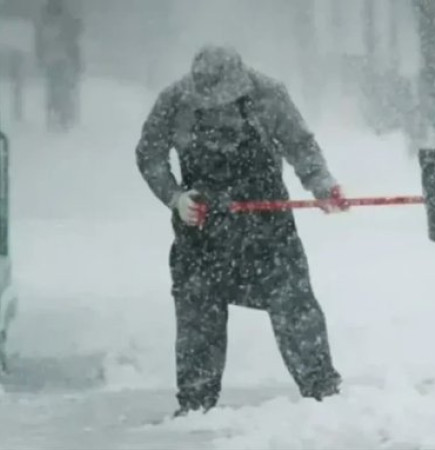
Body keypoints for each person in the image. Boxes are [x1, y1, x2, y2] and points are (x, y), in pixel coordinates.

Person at [135, 46, 349, 417]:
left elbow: (300, 144)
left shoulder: (269, 94)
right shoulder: (174, 100)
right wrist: (175, 197)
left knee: (294, 305)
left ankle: (322, 393)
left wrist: (322, 184)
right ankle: (196, 403)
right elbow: (149, 154)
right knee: (198, 315)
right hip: (201, 230)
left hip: (267, 228)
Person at [35, 0, 82, 131]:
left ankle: (58, 112)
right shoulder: (65, 15)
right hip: (60, 58)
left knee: (56, 85)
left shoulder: (48, 16)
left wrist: (40, 56)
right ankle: (62, 113)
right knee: (61, 86)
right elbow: (74, 34)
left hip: (55, 58)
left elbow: (40, 38)